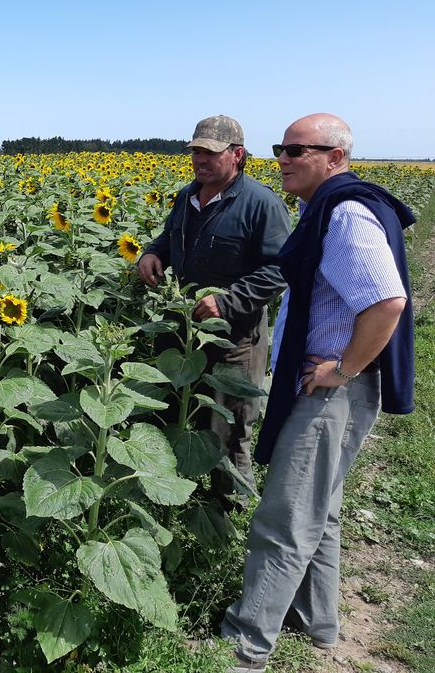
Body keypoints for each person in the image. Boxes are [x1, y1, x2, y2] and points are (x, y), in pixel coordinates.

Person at [222, 114, 414, 673]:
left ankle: (245, 643)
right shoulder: (326, 209)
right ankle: (318, 621)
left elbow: (387, 303)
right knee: (321, 510)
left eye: (297, 149)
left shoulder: (345, 215)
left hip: (329, 395)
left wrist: (343, 369)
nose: (281, 158)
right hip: (333, 391)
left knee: (284, 517)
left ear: (335, 157)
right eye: (280, 148)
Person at [138, 115, 291, 494]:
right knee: (173, 412)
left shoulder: (260, 204)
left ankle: (226, 515)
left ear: (237, 155)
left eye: (210, 153)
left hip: (233, 338)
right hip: (184, 331)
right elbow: (169, 235)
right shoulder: (188, 196)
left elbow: (282, 269)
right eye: (196, 152)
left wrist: (229, 301)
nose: (200, 160)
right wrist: (152, 253)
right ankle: (172, 496)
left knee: (228, 428)